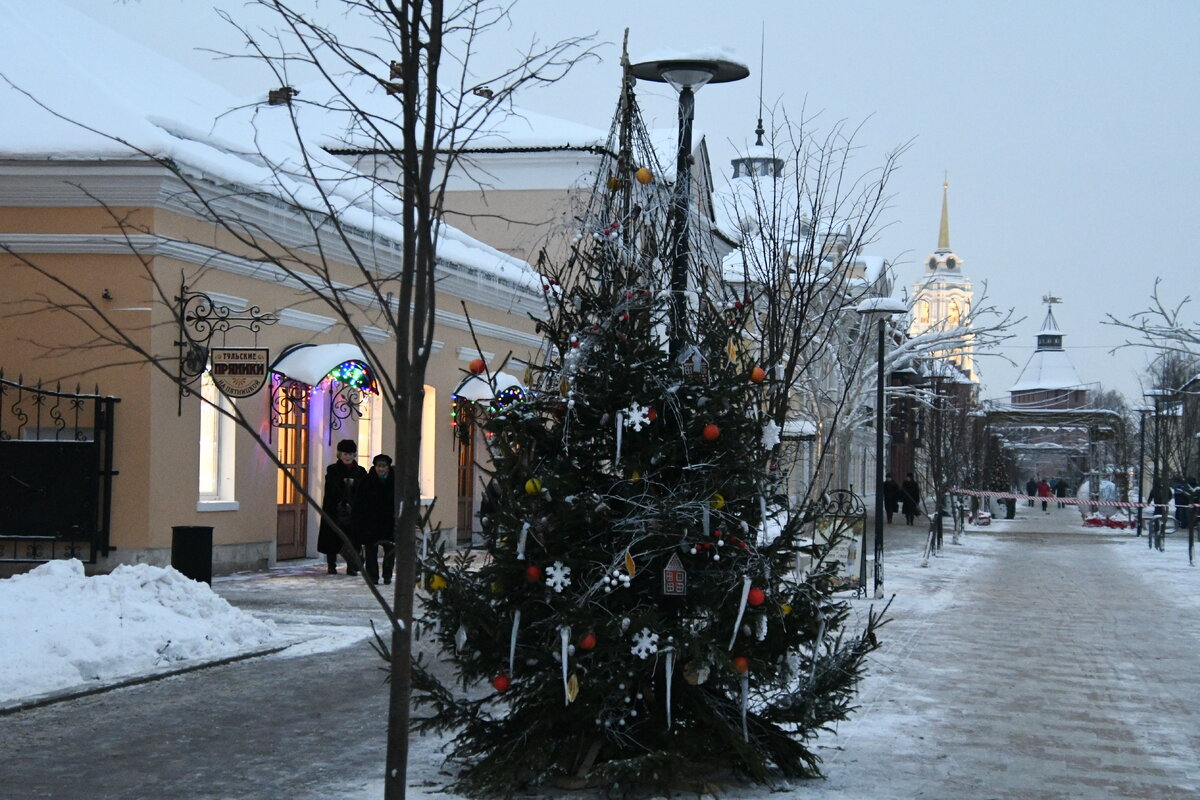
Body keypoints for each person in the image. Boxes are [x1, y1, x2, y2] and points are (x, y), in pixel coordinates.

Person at [317, 438, 368, 575]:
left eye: (351, 454)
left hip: (354, 512)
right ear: (339, 454)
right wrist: (344, 484)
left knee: (353, 539)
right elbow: (331, 488)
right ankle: (331, 565)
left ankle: (352, 565)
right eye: (345, 454)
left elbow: (364, 490)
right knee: (332, 537)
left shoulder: (361, 471)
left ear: (354, 455)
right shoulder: (333, 469)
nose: (348, 457)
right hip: (334, 509)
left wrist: (354, 484)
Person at [354, 453, 396, 585]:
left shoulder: (395, 481)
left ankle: (387, 575)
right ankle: (373, 576)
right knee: (371, 551)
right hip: (371, 522)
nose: (381, 469)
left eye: (384, 466)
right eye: (379, 466)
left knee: (390, 550)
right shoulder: (366, 482)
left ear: (388, 467)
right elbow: (359, 502)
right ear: (375, 466)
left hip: (390, 521)